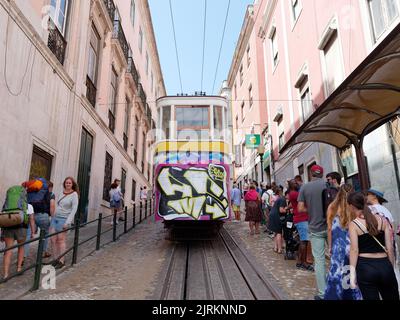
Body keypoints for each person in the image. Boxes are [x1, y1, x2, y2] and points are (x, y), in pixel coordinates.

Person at [348, 192, 399, 300]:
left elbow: (354, 250)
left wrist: (352, 275)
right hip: (385, 264)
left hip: (365, 267)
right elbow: (389, 248)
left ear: (351, 206)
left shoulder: (354, 224)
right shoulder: (382, 220)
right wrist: (390, 266)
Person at [324, 184, 362, 300]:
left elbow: (329, 229)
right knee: (353, 274)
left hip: (338, 248)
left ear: (339, 193)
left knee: (337, 276)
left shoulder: (332, 207)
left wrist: (330, 246)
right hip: (353, 246)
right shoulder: (356, 207)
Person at [298, 164, 328, 300]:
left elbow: (300, 208)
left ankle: (323, 293)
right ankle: (340, 287)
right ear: (322, 174)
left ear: (311, 174)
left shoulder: (305, 187)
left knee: (320, 261)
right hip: (332, 227)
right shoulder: (328, 185)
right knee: (336, 258)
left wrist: (311, 210)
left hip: (316, 228)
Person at [1, 186, 35, 279]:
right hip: (21, 228)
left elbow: (3, 218)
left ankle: (6, 274)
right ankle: (19, 269)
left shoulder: (8, 205)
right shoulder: (29, 206)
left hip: (8, 228)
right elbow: (31, 220)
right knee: (21, 247)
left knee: (8, 250)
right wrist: (33, 232)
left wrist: (1, 234)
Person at [50, 177, 79, 269]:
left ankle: (61, 261)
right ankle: (55, 259)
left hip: (64, 219)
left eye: (70, 183)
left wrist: (68, 222)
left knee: (61, 240)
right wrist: (53, 215)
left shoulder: (74, 194)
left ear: (72, 184)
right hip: (55, 218)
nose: (68, 184)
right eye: (66, 183)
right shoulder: (61, 192)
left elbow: (74, 209)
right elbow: (57, 205)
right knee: (53, 239)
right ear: (64, 184)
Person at [287, 180, 312, 271]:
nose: (297, 183)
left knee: (304, 241)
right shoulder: (294, 193)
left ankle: (300, 262)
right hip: (301, 219)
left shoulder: (294, 193)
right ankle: (303, 262)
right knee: (304, 241)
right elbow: (305, 198)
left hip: (302, 219)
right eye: (295, 183)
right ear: (291, 185)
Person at [268, 187, 287, 253]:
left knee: (276, 232)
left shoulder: (279, 199)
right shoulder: (283, 199)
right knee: (279, 232)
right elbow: (281, 210)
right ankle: (279, 249)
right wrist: (287, 210)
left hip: (272, 215)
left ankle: (276, 248)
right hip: (276, 216)